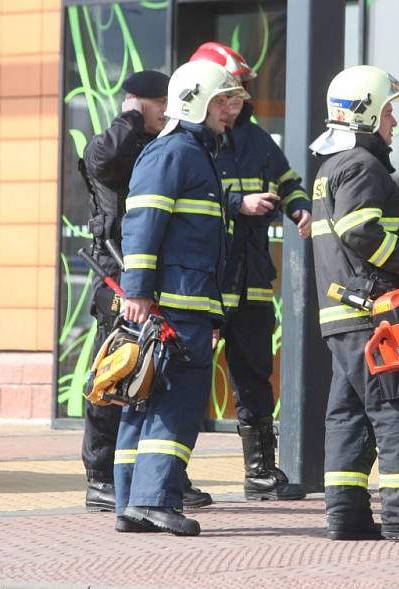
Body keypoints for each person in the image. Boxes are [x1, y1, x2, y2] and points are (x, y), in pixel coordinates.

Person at [309, 65, 399, 542]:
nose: (394, 122)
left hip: (345, 319)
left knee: (349, 415)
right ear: (367, 113)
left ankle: (347, 516)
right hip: (374, 316)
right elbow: (359, 231)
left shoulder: (333, 166)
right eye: (389, 111)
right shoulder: (360, 164)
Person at [113, 60, 249, 536]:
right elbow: (143, 226)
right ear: (195, 102)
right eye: (221, 101)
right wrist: (138, 292)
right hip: (175, 304)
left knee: (144, 398)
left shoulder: (190, 152)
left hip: (181, 302)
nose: (228, 110)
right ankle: (153, 500)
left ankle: (132, 502)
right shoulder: (176, 153)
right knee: (174, 403)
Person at [80, 70, 211, 512]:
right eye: (157, 104)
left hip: (145, 279)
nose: (166, 112)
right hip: (120, 280)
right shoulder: (114, 144)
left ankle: (159, 482)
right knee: (116, 376)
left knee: (151, 383)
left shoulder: (162, 148)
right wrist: (131, 118)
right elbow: (105, 161)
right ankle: (100, 478)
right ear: (137, 103)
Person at [189, 42, 311, 501]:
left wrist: (298, 209)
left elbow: (288, 182)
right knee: (187, 379)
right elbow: (186, 200)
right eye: (228, 90)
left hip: (252, 281)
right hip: (205, 282)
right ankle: (170, 476)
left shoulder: (258, 140)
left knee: (255, 374)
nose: (237, 98)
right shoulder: (190, 140)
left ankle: (260, 473)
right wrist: (237, 205)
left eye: (240, 90)